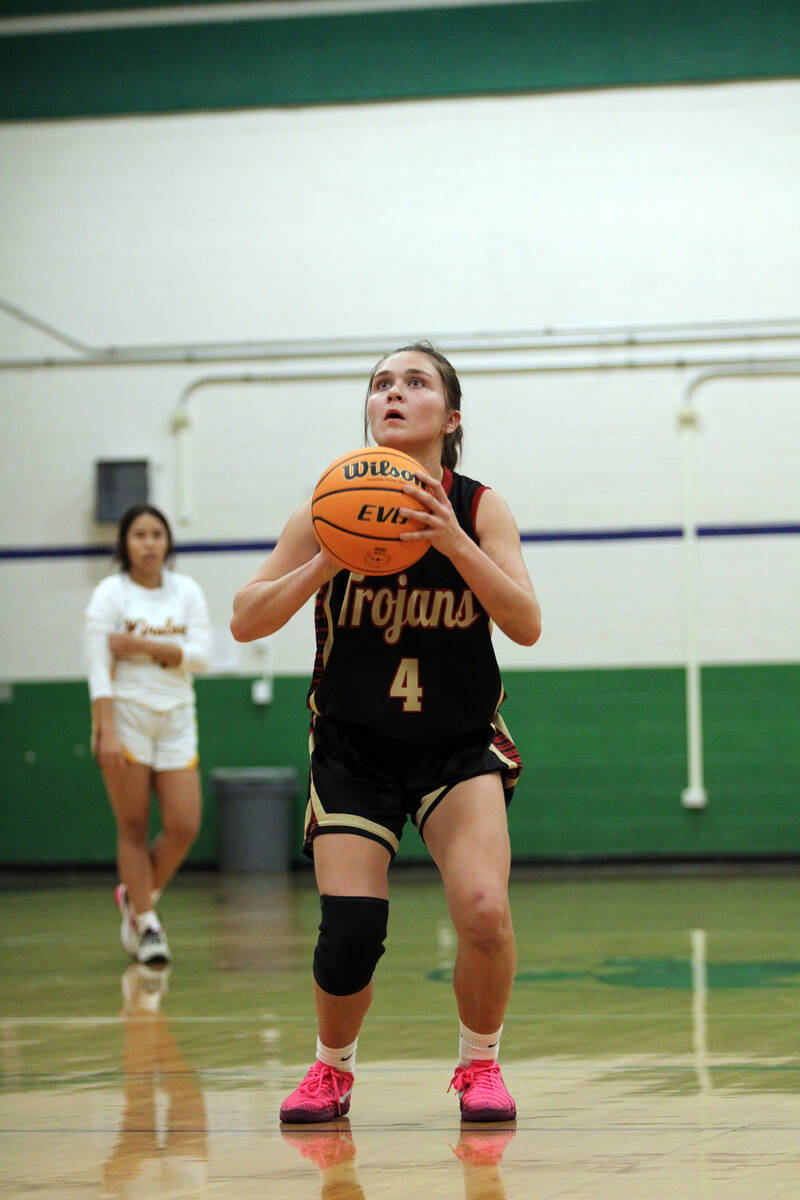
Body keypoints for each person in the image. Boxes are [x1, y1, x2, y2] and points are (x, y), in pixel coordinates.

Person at [231, 342, 541, 1123]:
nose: (394, 394)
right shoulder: (326, 503)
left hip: (455, 742)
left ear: (451, 415)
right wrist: (324, 563)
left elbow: (526, 624)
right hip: (354, 747)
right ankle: (331, 1073)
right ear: (369, 410)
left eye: (416, 382)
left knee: (482, 911)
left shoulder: (478, 507)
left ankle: (480, 1068)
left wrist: (450, 541)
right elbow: (245, 618)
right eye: (380, 384)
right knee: (352, 932)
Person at [85, 504, 212, 965]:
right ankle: (147, 923)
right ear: (125, 543)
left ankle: (137, 897)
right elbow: (99, 666)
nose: (149, 542)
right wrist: (106, 729)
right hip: (127, 717)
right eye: (139, 534)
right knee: (133, 827)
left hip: (177, 716)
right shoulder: (109, 594)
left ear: (168, 542)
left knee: (184, 825)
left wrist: (142, 646)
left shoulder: (186, 591)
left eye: (157, 533)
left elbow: (202, 656)